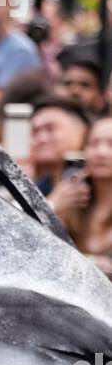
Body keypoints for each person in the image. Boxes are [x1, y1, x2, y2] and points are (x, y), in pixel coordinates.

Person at [49, 114, 112, 278]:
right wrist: (52, 206)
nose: (101, 152)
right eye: (94, 143)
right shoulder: (70, 200)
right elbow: (41, 254)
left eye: (111, 144)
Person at [29, 98, 90, 195]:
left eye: (50, 129)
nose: (41, 139)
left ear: (83, 132)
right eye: (35, 131)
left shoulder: (99, 186)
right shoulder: (34, 190)